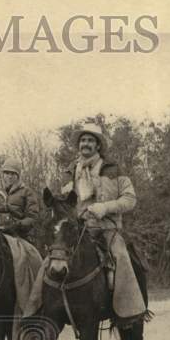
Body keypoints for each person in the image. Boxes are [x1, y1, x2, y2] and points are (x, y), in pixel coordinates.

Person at [22, 123, 147, 327]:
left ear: (98, 145)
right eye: (83, 140)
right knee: (50, 260)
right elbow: (66, 202)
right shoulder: (71, 171)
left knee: (121, 256)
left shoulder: (114, 169)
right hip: (77, 229)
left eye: (90, 140)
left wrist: (105, 207)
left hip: (107, 228)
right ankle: (35, 311)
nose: (85, 144)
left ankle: (128, 313)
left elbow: (130, 199)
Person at [0, 157, 40, 242]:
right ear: (2, 174)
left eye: (13, 174)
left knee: (31, 253)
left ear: (18, 176)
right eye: (7, 173)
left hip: (18, 234)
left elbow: (32, 216)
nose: (9, 177)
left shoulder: (27, 192)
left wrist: (19, 224)